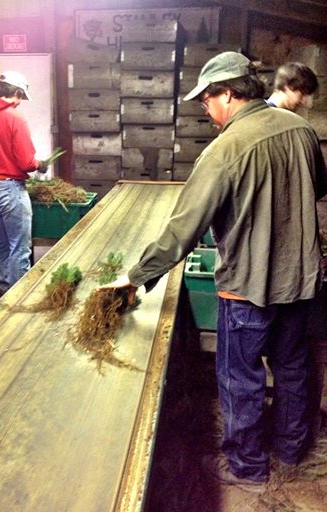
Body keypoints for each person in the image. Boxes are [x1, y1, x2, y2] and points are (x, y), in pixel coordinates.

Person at [98, 51, 327, 491]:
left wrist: (134, 276)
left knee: (240, 378)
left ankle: (247, 467)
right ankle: (292, 449)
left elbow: (182, 231)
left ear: (227, 94)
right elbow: (319, 186)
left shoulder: (226, 149)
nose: (205, 109)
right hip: (299, 283)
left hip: (247, 288)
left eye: (206, 100)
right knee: (294, 366)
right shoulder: (302, 131)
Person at [0, 71, 48, 295]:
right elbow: (26, 161)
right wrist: (40, 164)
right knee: (19, 245)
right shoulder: (14, 118)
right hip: (9, 189)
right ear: (16, 93)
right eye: (20, 97)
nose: (19, 103)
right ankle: (18, 295)